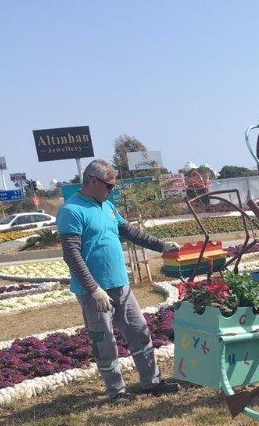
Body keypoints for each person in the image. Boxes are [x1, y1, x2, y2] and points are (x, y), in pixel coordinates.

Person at [57, 159, 181, 404]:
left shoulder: (108, 206)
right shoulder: (71, 211)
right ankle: (116, 392)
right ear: (93, 181)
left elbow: (129, 232)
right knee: (104, 342)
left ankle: (151, 382)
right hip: (95, 292)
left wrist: (161, 245)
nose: (112, 190)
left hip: (121, 286)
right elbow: (71, 254)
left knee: (139, 332)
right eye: (109, 186)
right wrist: (94, 289)